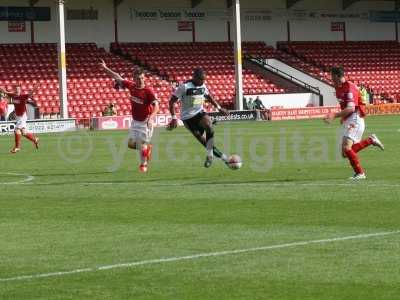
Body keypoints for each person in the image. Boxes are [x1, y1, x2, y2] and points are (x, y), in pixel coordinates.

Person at [323, 67, 384, 180]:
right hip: (349, 119)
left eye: (331, 76)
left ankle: (360, 173)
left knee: (347, 148)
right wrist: (343, 118)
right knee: (345, 153)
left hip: (355, 117)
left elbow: (351, 108)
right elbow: (345, 106)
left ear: (336, 76)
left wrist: (334, 115)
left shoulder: (349, 87)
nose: (331, 78)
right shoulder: (338, 89)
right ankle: (370, 140)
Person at [100, 59, 159, 173]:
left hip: (145, 122)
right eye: (137, 78)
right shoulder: (131, 86)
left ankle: (143, 165)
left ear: (144, 78)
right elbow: (117, 77)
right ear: (134, 78)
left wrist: (151, 118)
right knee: (130, 144)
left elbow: (156, 106)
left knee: (141, 145)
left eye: (142, 78)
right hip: (135, 122)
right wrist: (105, 68)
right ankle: (147, 149)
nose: (140, 80)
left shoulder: (148, 91)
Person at [166, 68, 230, 168]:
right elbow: (171, 101)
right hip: (187, 118)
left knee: (209, 128)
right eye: (201, 79)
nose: (203, 82)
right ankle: (223, 157)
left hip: (199, 112)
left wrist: (219, 108)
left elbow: (209, 96)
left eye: (204, 80)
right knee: (202, 140)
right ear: (194, 77)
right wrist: (174, 118)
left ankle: (210, 155)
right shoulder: (184, 87)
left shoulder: (202, 85)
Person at [0, 85, 39, 153]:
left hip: (22, 115)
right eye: (16, 89)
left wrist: (34, 89)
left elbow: (30, 94)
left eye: (19, 90)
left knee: (17, 130)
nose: (17, 91)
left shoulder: (23, 96)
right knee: (23, 132)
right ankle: (34, 139)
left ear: (20, 90)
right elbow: (5, 92)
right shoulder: (13, 95)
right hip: (18, 116)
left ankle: (17, 147)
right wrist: (2, 89)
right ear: (14, 90)